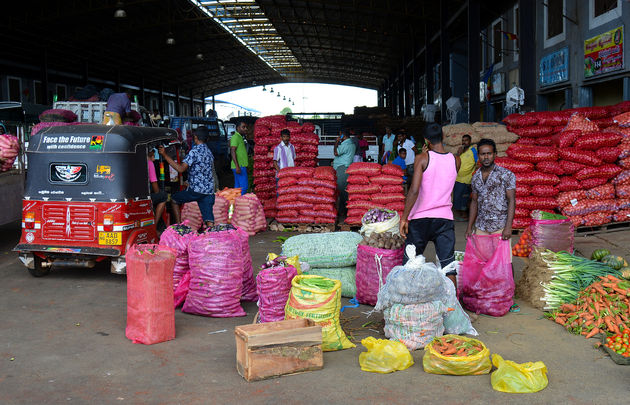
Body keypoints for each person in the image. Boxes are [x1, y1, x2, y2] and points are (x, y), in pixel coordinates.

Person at [399, 123, 461, 286]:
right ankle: (453, 305)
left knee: (410, 263)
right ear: (443, 137)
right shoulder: (456, 160)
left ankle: (406, 303)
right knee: (449, 266)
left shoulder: (422, 158)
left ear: (426, 140)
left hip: (421, 219)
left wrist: (404, 218)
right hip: (444, 219)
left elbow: (413, 190)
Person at [158, 126, 215, 228]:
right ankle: (212, 239)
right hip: (209, 191)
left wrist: (165, 155)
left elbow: (180, 169)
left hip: (196, 190)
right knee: (209, 220)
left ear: (195, 137)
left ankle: (180, 227)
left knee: (174, 200)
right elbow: (203, 170)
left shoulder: (194, 151)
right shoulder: (209, 152)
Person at [466, 138, 516, 241]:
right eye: (482, 154)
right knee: (481, 256)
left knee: (501, 257)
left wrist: (508, 227)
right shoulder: (475, 177)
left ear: (495, 154)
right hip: (481, 227)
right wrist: (469, 227)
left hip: (500, 227)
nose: (486, 157)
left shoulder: (506, 175)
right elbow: (474, 202)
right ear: (478, 156)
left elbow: (511, 200)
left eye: (489, 153)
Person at [453, 134, 478, 221]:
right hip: (458, 178)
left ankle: (465, 216)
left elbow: (477, 162)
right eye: (463, 140)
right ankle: (461, 215)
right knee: (457, 197)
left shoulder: (473, 150)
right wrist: (458, 154)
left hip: (466, 179)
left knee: (464, 198)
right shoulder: (461, 151)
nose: (464, 142)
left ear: (470, 141)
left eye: (466, 140)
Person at [333, 129, 356, 218]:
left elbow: (336, 153)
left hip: (342, 168)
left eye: (340, 135)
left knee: (341, 190)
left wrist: (336, 142)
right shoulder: (351, 144)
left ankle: (345, 211)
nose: (339, 137)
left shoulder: (346, 144)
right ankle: (345, 210)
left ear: (343, 135)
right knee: (343, 190)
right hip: (345, 167)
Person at [147, 148, 168, 224]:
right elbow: (154, 182)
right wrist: (158, 192)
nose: (153, 159)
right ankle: (155, 223)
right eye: (152, 157)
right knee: (163, 196)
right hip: (146, 197)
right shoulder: (149, 163)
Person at [230, 119, 249, 195]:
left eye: (246, 127)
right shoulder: (235, 137)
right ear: (238, 128)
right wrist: (237, 166)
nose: (245, 129)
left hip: (241, 166)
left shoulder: (240, 137)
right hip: (239, 166)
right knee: (244, 187)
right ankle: (240, 203)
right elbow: (232, 151)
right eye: (243, 127)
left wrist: (246, 166)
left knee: (237, 188)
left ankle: (235, 204)